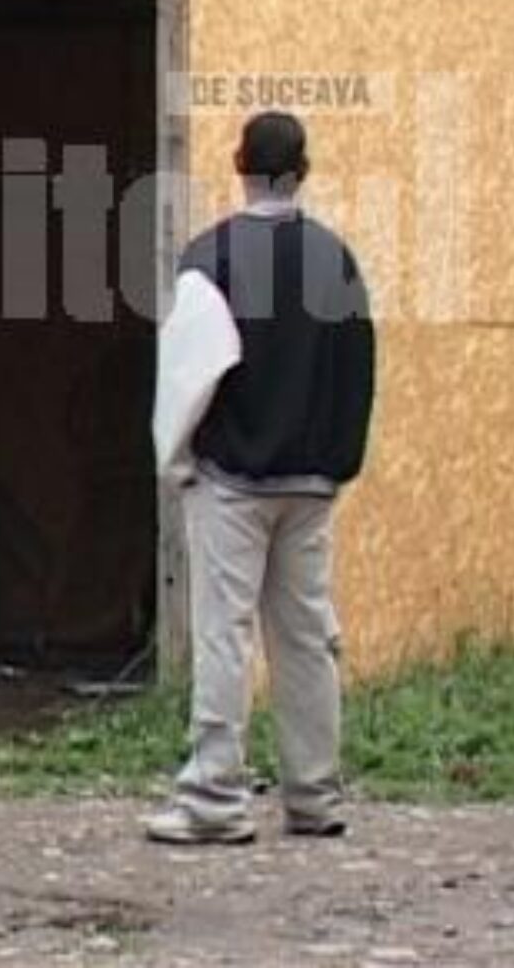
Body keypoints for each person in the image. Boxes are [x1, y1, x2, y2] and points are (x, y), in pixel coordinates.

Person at [145, 110, 375, 845]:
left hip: (233, 481)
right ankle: (314, 794)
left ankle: (215, 797)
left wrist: (178, 462)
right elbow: (357, 370)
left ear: (239, 164)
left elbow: (191, 375)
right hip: (311, 481)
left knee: (225, 633)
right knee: (307, 635)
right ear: (303, 171)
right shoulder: (336, 261)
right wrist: (336, 462)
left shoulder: (211, 260)